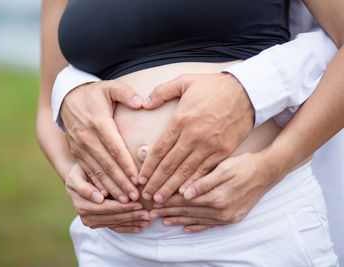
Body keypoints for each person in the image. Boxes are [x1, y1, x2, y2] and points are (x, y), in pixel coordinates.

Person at [37, 0, 343, 265]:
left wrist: (272, 166)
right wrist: (73, 178)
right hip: (114, 245)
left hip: (253, 231)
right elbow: (47, 107)